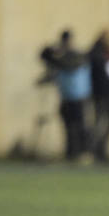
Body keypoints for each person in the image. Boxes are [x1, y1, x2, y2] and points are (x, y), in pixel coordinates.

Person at [38, 29, 91, 161]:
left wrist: (55, 55)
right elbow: (48, 61)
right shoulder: (64, 57)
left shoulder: (75, 56)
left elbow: (68, 65)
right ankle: (71, 153)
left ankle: (82, 152)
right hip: (67, 97)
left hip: (78, 97)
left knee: (79, 126)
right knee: (68, 126)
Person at [88, 29, 109, 162]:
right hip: (100, 93)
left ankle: (102, 148)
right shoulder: (95, 52)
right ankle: (94, 150)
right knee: (98, 121)